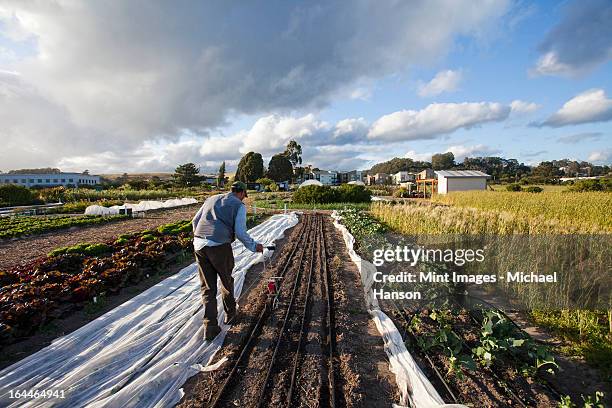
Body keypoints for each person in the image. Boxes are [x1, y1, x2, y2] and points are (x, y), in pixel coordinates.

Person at [192, 181, 263, 341]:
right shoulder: (238, 205)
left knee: (208, 287)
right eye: (244, 196)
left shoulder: (211, 198)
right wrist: (253, 246)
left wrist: (200, 239)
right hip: (218, 246)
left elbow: (195, 222)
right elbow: (240, 231)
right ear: (241, 193)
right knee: (226, 280)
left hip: (199, 245)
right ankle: (230, 315)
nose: (243, 199)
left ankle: (210, 327)